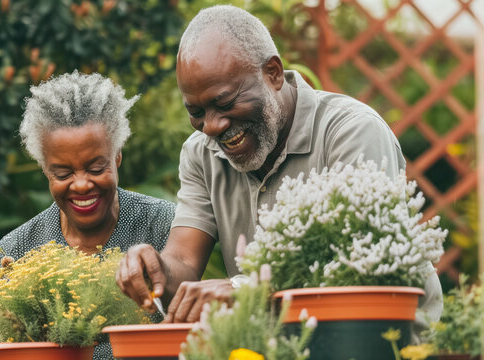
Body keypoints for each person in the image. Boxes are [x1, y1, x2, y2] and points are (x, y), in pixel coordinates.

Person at [115, 5, 442, 337]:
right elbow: (183, 260)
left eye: (226, 103)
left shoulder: (350, 132)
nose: (212, 126)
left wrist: (248, 288)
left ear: (272, 73)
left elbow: (357, 266)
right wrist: (154, 269)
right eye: (196, 111)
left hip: (380, 343)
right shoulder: (201, 153)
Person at [0, 71, 176, 359]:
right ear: (45, 168)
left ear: (117, 155)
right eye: (62, 173)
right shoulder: (15, 252)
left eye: (97, 168)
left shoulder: (163, 226)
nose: (82, 184)